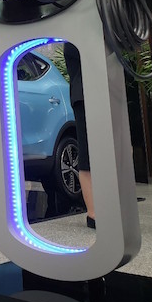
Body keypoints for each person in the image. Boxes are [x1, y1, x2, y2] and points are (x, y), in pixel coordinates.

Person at [64, 42, 95, 228]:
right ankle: (93, 214)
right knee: (88, 154)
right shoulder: (73, 42)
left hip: (103, 94)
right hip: (84, 98)